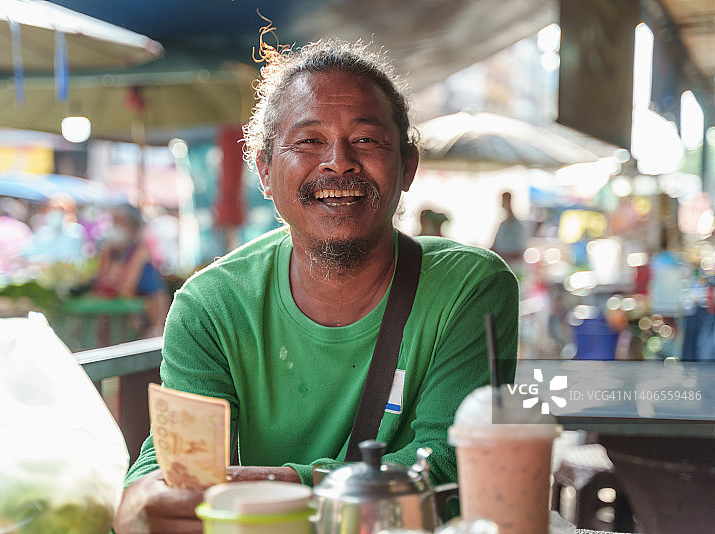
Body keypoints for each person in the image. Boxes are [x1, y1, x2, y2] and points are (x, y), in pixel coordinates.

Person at [113, 38, 518, 534]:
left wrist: (278, 483)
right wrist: (147, 496)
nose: (338, 161)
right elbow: (174, 462)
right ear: (264, 169)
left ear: (408, 167)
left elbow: (454, 467)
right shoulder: (211, 305)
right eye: (308, 142)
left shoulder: (470, 287)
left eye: (366, 140)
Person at [91, 204, 170, 337]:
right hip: (109, 328)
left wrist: (157, 328)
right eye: (114, 222)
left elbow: (158, 296)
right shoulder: (108, 253)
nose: (115, 227)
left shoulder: (141, 257)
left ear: (132, 227)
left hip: (136, 329)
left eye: (120, 222)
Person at [491, 191, 528, 274]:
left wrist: (502, 256)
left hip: (514, 271)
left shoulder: (518, 227)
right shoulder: (502, 225)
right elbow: (493, 247)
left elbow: (519, 252)